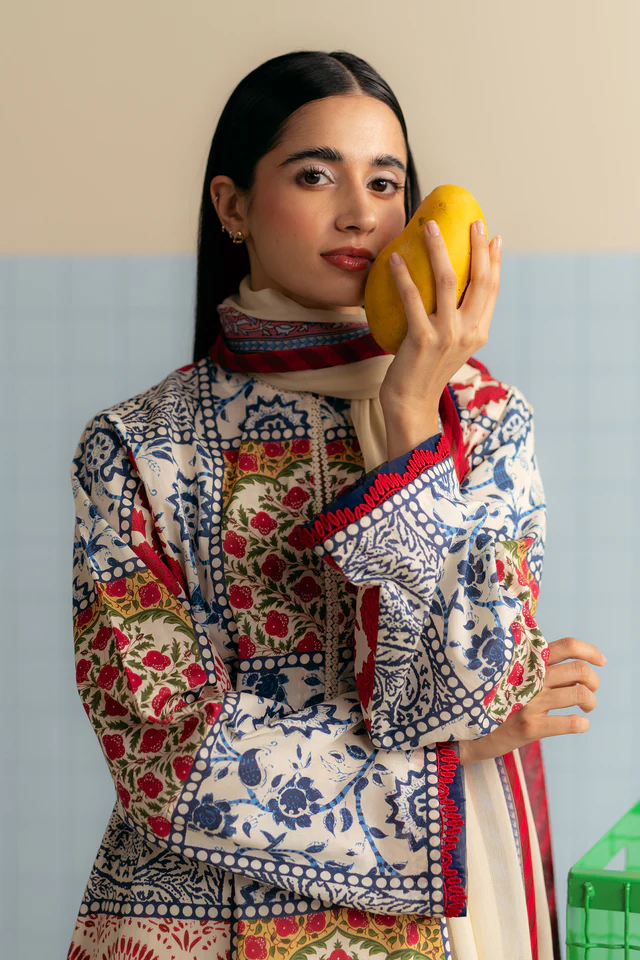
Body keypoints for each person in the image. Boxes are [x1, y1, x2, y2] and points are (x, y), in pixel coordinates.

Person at [66, 50, 605, 960]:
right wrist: (453, 757)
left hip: (442, 924)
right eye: (316, 175)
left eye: (385, 182)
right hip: (196, 921)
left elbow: (474, 689)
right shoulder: (137, 447)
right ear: (232, 205)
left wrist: (411, 421)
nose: (360, 212)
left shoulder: (484, 419)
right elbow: (164, 753)